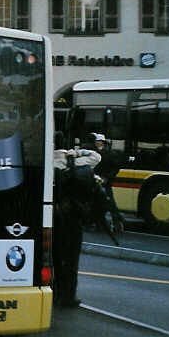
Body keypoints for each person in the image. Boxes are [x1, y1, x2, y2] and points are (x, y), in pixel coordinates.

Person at [52, 132, 100, 308]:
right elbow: (96, 157)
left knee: (56, 257)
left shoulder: (48, 161)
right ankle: (69, 295)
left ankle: (55, 292)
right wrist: (76, 152)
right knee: (72, 258)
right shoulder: (75, 161)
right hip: (74, 216)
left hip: (55, 216)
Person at [89, 133, 125, 243]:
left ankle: (115, 221)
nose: (96, 143)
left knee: (108, 202)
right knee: (104, 202)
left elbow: (114, 168)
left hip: (103, 182)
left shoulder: (107, 154)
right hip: (99, 181)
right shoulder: (99, 153)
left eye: (97, 141)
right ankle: (105, 222)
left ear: (101, 142)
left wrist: (107, 178)